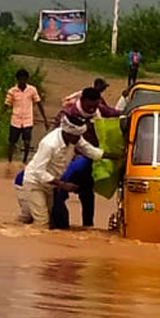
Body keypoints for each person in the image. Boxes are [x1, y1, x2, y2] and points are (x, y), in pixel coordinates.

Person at [18, 115, 104, 230]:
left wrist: (112, 156)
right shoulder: (49, 144)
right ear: (68, 134)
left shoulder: (74, 138)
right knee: (42, 222)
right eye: (77, 137)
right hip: (34, 182)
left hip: (50, 184)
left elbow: (89, 150)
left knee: (49, 221)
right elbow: (38, 171)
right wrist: (62, 185)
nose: (79, 139)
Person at [52, 86, 121, 227]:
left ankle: (87, 227)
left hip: (89, 161)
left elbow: (117, 114)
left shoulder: (99, 110)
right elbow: (56, 138)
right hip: (67, 163)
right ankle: (59, 225)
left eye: (94, 107)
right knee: (58, 195)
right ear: (82, 100)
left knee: (88, 196)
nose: (92, 110)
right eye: (89, 106)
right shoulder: (67, 114)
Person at [4, 68, 45, 165]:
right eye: (20, 79)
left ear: (27, 79)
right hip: (15, 120)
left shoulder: (32, 90)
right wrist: (0, 115)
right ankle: (9, 161)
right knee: (12, 142)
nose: (22, 81)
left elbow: (39, 103)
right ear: (17, 80)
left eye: (24, 79)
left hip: (28, 120)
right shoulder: (12, 91)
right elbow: (7, 104)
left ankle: (24, 161)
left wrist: (45, 119)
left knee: (27, 142)